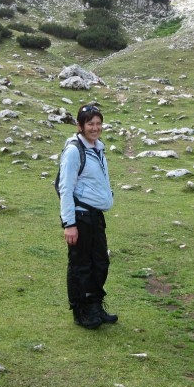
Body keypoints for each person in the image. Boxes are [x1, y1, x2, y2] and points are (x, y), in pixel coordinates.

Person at [58, 104, 117, 329]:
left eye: (98, 123)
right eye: (90, 123)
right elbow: (65, 188)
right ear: (80, 126)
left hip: (96, 216)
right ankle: (81, 312)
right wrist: (69, 224)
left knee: (100, 263)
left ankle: (95, 306)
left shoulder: (97, 148)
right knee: (81, 264)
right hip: (80, 217)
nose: (95, 128)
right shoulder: (74, 150)